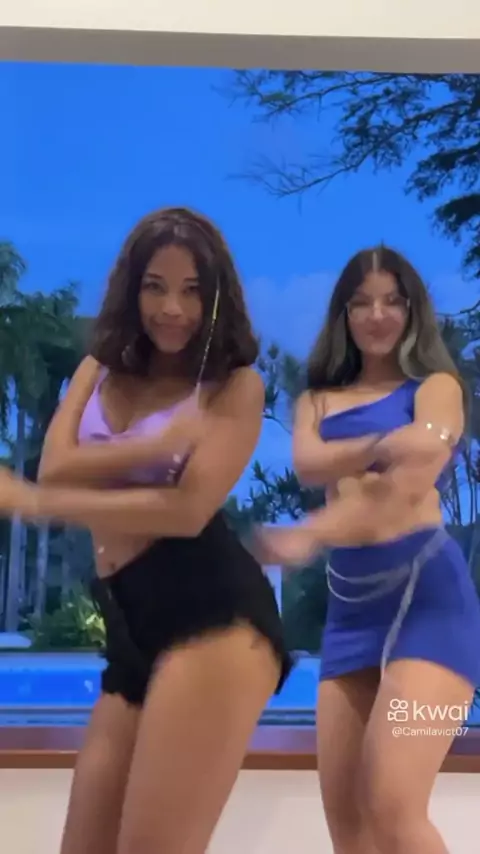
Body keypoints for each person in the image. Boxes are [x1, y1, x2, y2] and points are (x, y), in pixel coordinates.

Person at [0, 206, 292, 854]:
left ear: (216, 299)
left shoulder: (235, 388)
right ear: (132, 290)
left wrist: (43, 503)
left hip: (212, 615)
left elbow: (187, 513)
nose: (172, 309)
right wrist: (155, 445)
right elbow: (56, 466)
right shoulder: (97, 369)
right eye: (155, 286)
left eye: (192, 290)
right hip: (130, 625)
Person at [255, 246, 480, 854]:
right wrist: (385, 444)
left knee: (393, 807)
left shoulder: (437, 389)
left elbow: (403, 489)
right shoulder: (317, 400)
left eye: (391, 301)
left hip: (431, 607)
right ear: (344, 314)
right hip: (352, 612)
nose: (377, 315)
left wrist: (311, 532)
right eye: (361, 303)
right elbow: (308, 464)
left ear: (412, 310)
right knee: (350, 828)